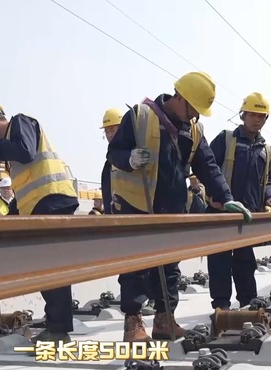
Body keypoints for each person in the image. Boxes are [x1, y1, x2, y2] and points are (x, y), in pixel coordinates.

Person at [108, 71, 252, 342]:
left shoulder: (193, 129)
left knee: (169, 266)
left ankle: (165, 319)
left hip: (171, 206)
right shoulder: (140, 116)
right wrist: (130, 158)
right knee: (135, 266)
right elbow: (114, 152)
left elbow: (207, 165)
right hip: (137, 203)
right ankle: (133, 322)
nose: (195, 115)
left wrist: (226, 197)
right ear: (181, 98)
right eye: (193, 108)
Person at [0, 101, 79, 343]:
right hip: (43, 203)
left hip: (52, 199)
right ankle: (56, 323)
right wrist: (9, 219)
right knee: (47, 265)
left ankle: (58, 329)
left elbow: (25, 152)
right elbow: (26, 186)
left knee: (49, 266)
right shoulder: (10, 145)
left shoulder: (20, 122)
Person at [205, 92, 271, 310]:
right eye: (252, 115)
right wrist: (213, 197)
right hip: (221, 212)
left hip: (247, 215)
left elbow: (268, 179)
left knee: (245, 262)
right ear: (243, 115)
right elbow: (207, 169)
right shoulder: (226, 139)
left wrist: (269, 196)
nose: (257, 120)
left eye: (261, 116)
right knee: (219, 262)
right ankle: (221, 307)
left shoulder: (265, 150)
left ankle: (248, 304)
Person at [100, 108, 124, 215]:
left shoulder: (131, 154)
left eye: (112, 130)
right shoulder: (109, 163)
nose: (109, 135)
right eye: (106, 131)